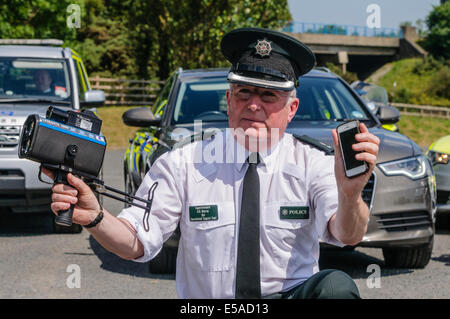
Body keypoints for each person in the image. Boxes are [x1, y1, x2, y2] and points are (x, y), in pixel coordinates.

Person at [46, 28, 380, 299]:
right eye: (244, 92)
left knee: (335, 287)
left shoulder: (313, 162)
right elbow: (136, 241)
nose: (253, 105)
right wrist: (96, 218)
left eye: (268, 96)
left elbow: (347, 235)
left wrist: (351, 194)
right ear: (229, 100)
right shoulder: (183, 162)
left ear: (291, 109)